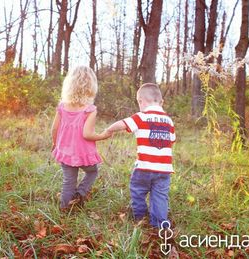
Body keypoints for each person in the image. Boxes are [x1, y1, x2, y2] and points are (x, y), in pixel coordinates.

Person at [106, 83, 175, 228]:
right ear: (161, 102)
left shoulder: (141, 116)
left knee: (137, 190)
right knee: (160, 196)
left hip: (144, 167)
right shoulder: (169, 121)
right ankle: (159, 224)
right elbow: (172, 141)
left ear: (140, 101)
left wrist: (109, 130)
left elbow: (123, 124)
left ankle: (140, 217)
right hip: (164, 169)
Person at [51, 66, 111, 210]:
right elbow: (87, 134)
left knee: (68, 181)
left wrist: (55, 143)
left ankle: (65, 209)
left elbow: (54, 128)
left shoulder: (62, 107)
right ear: (91, 86)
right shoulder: (89, 109)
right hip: (83, 154)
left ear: (69, 85)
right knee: (92, 171)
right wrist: (103, 135)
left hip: (65, 152)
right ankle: (80, 193)